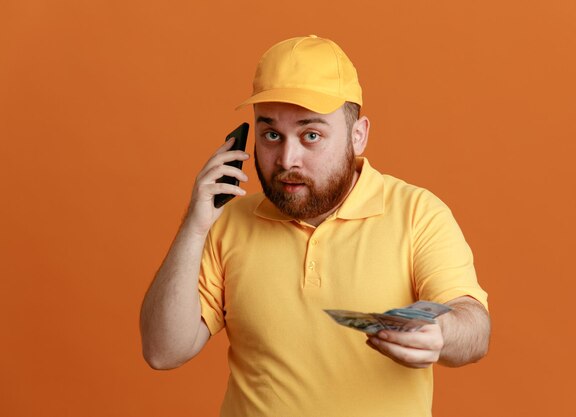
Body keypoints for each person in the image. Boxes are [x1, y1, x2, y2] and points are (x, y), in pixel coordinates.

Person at [140, 35, 490, 417]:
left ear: (358, 137)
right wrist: (194, 226)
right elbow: (163, 351)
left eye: (311, 135)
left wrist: (441, 334)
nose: (287, 159)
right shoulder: (229, 222)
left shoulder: (418, 213)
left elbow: (473, 325)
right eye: (271, 134)